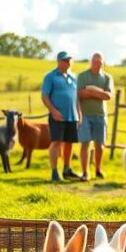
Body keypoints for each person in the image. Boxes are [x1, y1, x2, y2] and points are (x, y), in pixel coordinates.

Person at [41, 51, 80, 182]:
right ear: (59, 61)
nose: (68, 62)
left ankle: (67, 169)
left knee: (69, 143)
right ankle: (54, 172)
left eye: (70, 60)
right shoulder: (50, 77)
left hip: (72, 116)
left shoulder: (73, 77)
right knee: (56, 142)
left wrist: (79, 113)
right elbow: (44, 96)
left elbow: (76, 98)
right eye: (65, 60)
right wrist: (53, 111)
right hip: (57, 116)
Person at [76, 52, 113, 181]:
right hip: (85, 115)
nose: (97, 63)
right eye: (94, 61)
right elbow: (80, 94)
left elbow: (108, 96)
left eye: (99, 61)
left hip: (100, 115)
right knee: (85, 144)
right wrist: (99, 93)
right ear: (90, 62)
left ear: (103, 63)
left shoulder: (107, 78)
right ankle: (85, 172)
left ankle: (98, 170)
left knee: (99, 145)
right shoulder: (82, 76)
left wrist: (90, 91)